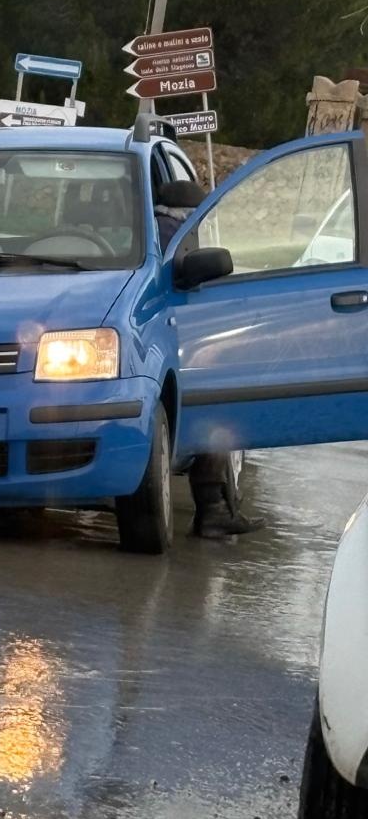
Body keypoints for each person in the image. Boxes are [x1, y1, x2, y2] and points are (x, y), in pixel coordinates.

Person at [153, 168, 260, 540]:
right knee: (216, 410)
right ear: (188, 213)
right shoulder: (175, 236)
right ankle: (213, 510)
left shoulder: (142, 228)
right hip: (174, 342)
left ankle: (217, 507)